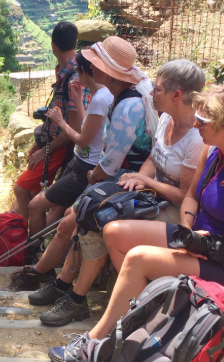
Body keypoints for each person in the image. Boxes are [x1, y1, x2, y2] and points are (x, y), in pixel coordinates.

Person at [47, 84, 224, 362]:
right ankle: (141, 319)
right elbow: (192, 196)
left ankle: (97, 344)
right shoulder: (212, 150)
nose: (195, 124)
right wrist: (187, 232)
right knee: (115, 231)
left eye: (204, 121)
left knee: (136, 259)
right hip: (200, 242)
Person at [8, 37, 159, 319]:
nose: (87, 70)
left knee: (75, 219)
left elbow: (109, 161)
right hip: (120, 178)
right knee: (69, 219)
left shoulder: (127, 107)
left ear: (102, 71)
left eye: (91, 65)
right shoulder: (123, 99)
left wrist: (91, 176)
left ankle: (65, 289)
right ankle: (60, 284)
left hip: (125, 181)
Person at [24, 51, 113, 245]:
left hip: (83, 167)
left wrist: (60, 122)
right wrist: (79, 98)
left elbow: (82, 140)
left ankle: (31, 252)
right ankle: (41, 252)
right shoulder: (103, 94)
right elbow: (86, 126)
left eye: (76, 70)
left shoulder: (100, 99)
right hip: (80, 162)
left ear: (83, 71)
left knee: (35, 205)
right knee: (56, 209)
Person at [12, 22, 91, 228]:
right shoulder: (67, 71)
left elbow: (74, 127)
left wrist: (45, 151)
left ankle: (19, 240)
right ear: (75, 43)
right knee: (31, 188)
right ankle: (12, 227)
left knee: (21, 189)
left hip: (60, 146)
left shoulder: (74, 78)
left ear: (53, 45)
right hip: (51, 140)